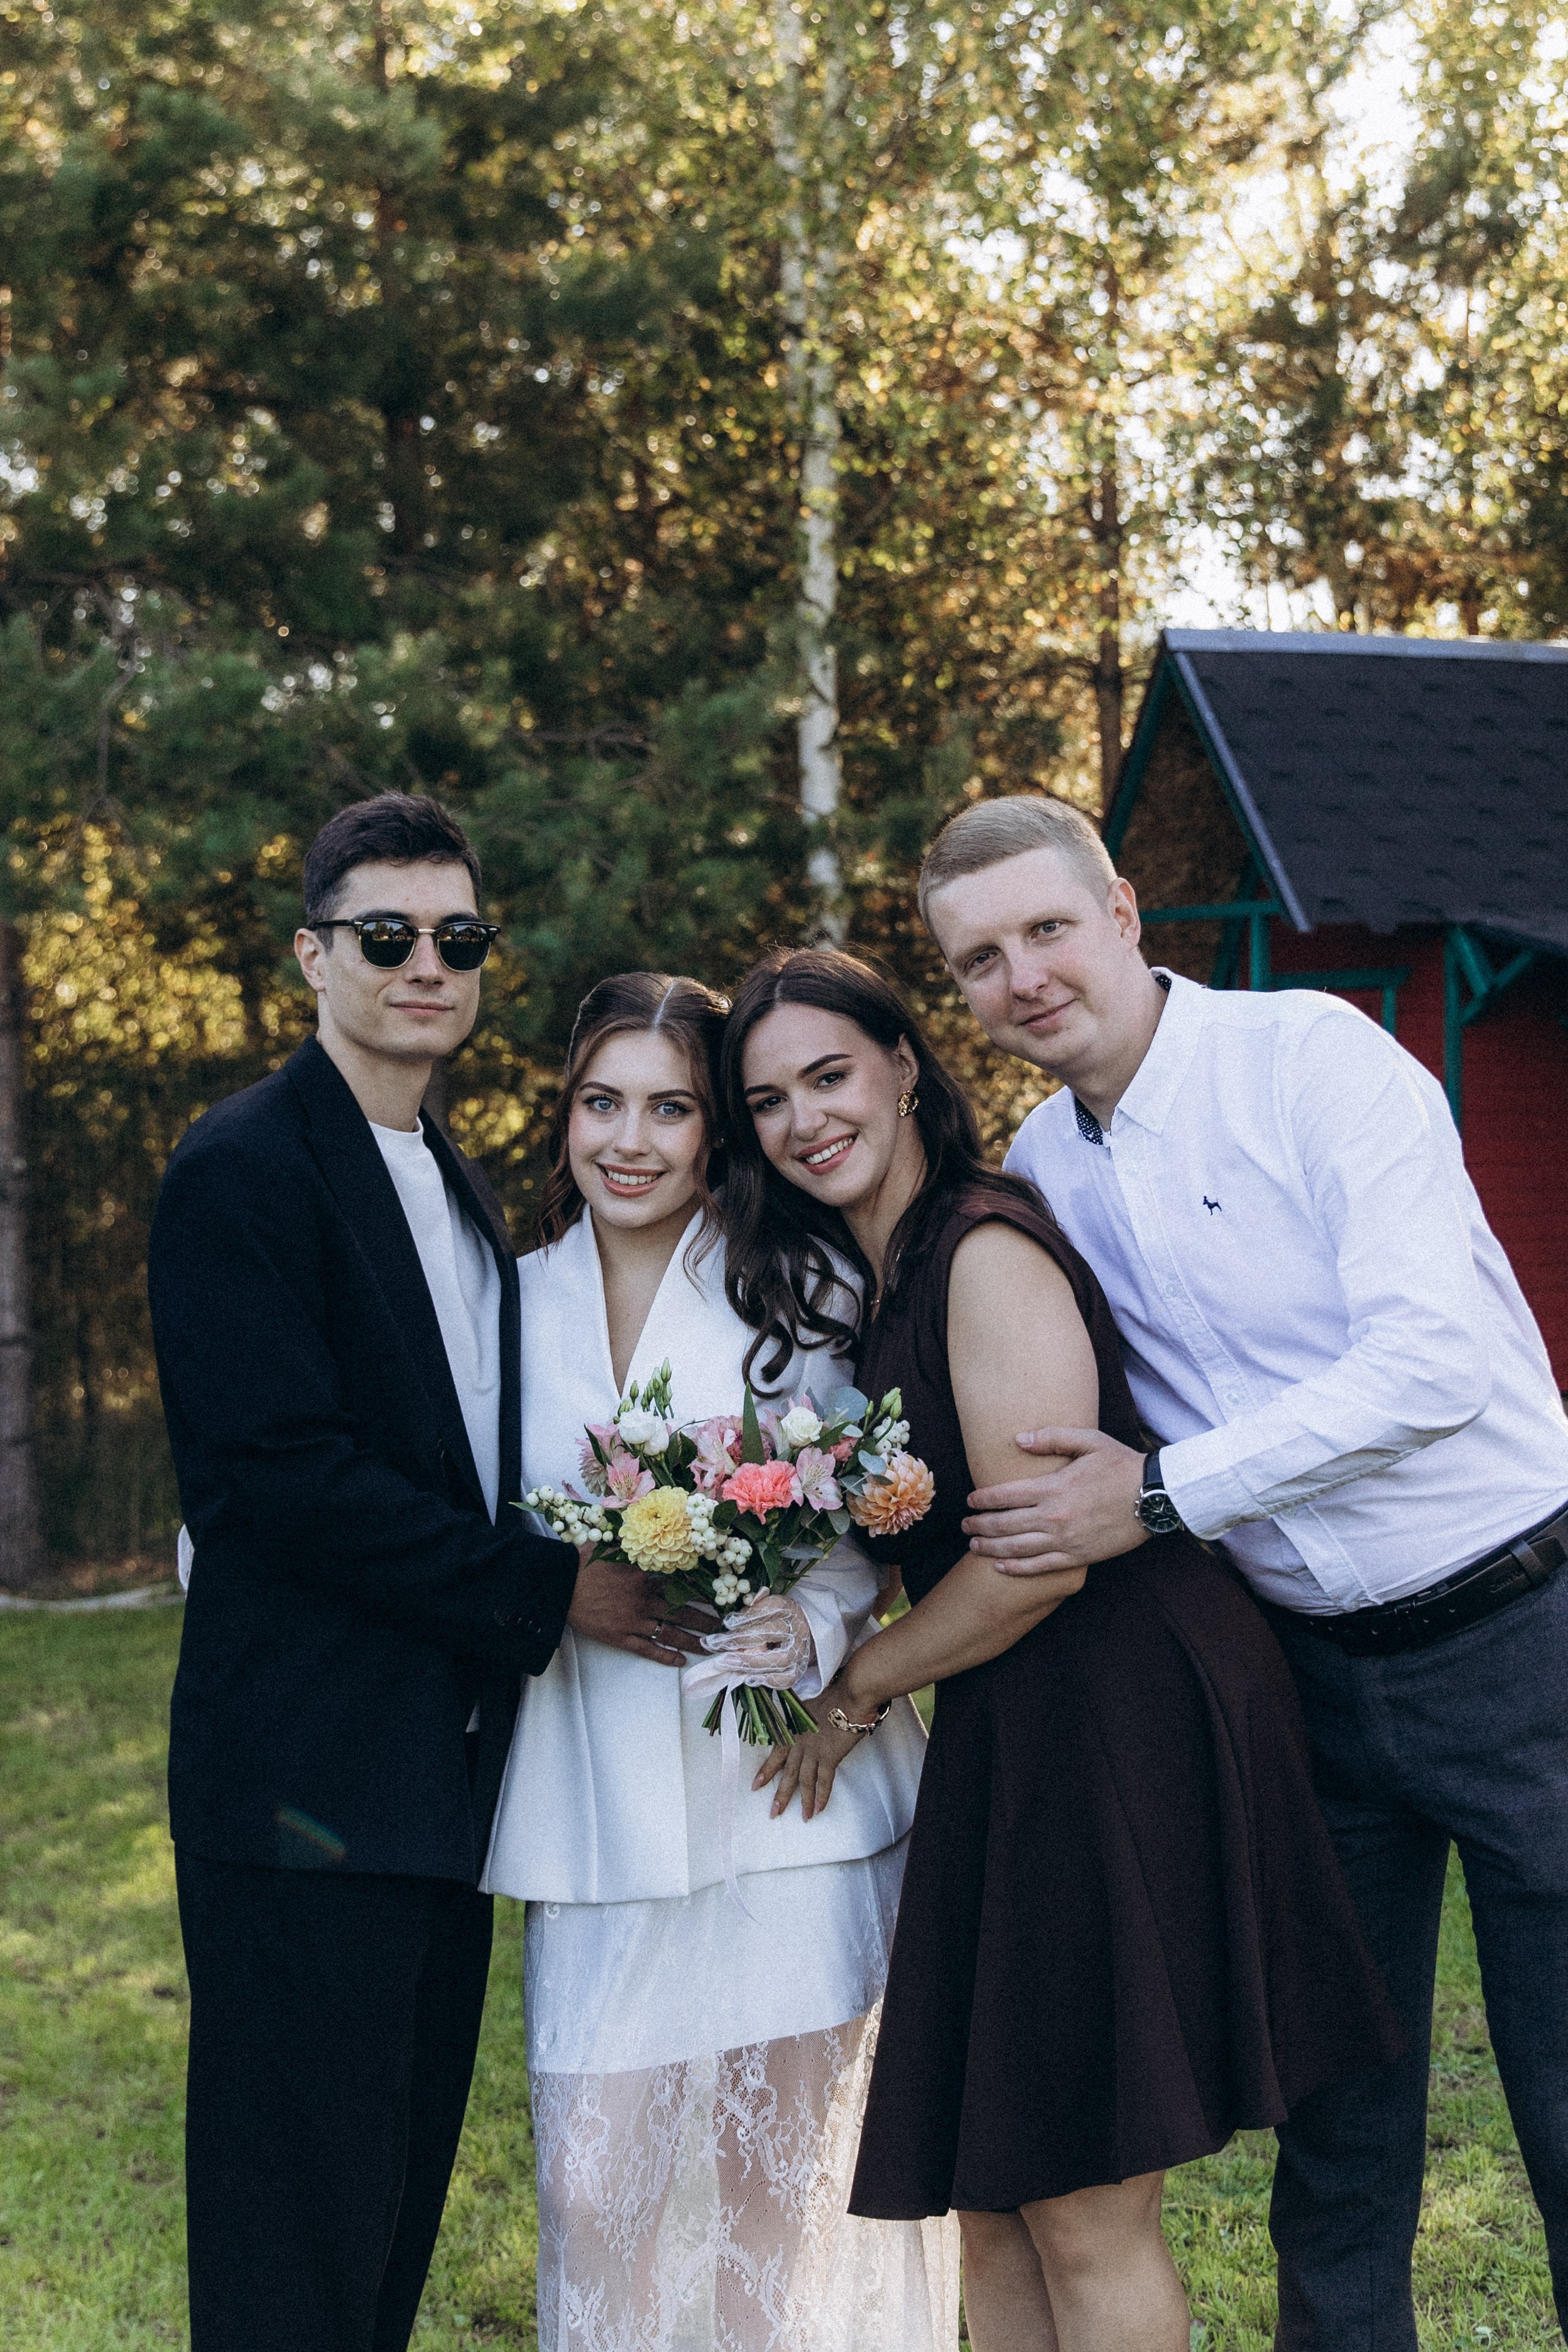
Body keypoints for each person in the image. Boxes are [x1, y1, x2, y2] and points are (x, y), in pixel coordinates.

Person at [921, 793, 1568, 2352]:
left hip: (1522, 1633)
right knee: (1339, 2135)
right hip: (1310, 1687)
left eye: (1048, 929)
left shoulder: (1314, 1060)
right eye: (981, 959)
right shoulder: (1037, 1168)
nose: (1025, 978)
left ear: (1127, 913)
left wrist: (1159, 1499)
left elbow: (1428, 1366)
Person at [719, 944, 1400, 2352]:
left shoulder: (983, 1246)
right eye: (769, 1099)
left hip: (1112, 1709)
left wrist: (857, 1689)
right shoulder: (882, 1269)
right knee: (996, 2193)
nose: (805, 1120)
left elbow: (1034, 1564)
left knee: (1083, 2200)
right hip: (1009, 1730)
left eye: (830, 1075)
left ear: (907, 1068)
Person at [148, 795, 678, 2352]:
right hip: (302, 1784)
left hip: (438, 1789)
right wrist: (547, 1590)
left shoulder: (453, 1177)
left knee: (384, 2218)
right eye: (387, 937)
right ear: (315, 955)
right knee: (291, 2236)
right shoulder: (243, 1168)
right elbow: (273, 1481)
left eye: (458, 937)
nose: (425, 964)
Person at [481, 972, 959, 2352]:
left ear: (713, 1135)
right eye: (601, 1103)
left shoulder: (799, 1289)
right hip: (591, 1809)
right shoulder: (504, 1308)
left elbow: (876, 1494)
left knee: (782, 2202)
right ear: (563, 1117)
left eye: (671, 1108)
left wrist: (810, 1626)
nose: (630, 1140)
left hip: (785, 1798)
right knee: (591, 2184)